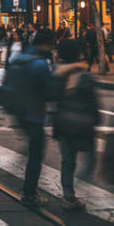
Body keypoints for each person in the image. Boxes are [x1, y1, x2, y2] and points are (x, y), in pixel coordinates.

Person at [9, 28, 63, 206]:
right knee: (36, 154)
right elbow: (51, 92)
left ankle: (28, 186)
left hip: (19, 112)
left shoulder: (20, 58)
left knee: (33, 149)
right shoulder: (40, 64)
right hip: (34, 115)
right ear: (46, 44)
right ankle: (29, 193)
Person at [53, 40, 99, 211]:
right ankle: (82, 182)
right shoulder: (84, 75)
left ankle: (69, 195)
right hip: (82, 124)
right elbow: (92, 102)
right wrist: (96, 120)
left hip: (62, 123)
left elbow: (52, 98)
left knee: (67, 161)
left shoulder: (57, 74)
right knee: (91, 158)